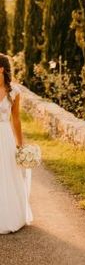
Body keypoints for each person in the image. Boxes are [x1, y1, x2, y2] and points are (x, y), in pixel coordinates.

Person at [0, 52, 33, 233]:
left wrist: (20, 145)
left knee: (8, 174)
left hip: (5, 137)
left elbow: (16, 120)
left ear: (1, 69)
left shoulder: (14, 92)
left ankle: (9, 214)